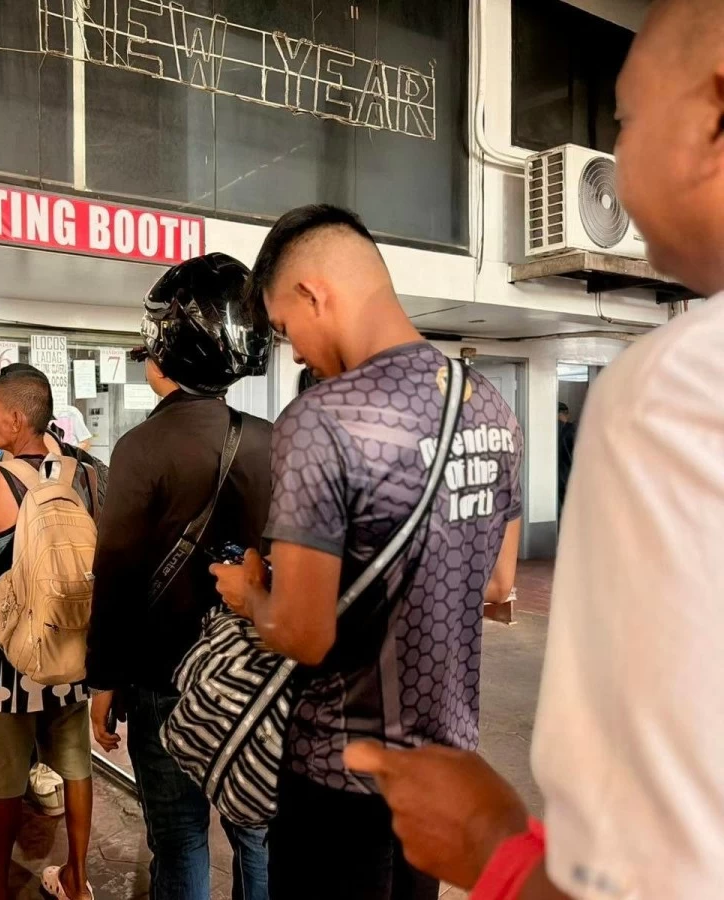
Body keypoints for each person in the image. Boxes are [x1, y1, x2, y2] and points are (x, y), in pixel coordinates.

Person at [344, 3, 724, 898]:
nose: (618, 164)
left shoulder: (673, 395)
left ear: (713, 115)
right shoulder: (500, 409)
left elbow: (650, 875)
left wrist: (493, 850)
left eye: (624, 122)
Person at [211, 205, 522, 900]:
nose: (293, 352)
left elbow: (303, 632)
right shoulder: (491, 407)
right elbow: (499, 581)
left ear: (314, 293)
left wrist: (247, 594)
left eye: (287, 330)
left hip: (338, 775)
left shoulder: (321, 419)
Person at [86, 253, 273, 900]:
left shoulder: (138, 449)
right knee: (255, 835)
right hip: (254, 675)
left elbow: (114, 577)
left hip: (162, 681)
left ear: (166, 351)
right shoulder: (271, 440)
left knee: (180, 838)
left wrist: (103, 681)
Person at [0, 365, 96, 900]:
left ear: (15, 416)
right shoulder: (87, 473)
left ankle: (0, 892)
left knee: (3, 782)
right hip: (72, 642)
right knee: (76, 768)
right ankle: (76, 880)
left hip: (5, 654)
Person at [556, 402, 576, 517]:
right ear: (564, 413)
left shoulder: (550, 428)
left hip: (556, 473)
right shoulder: (571, 429)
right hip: (567, 472)